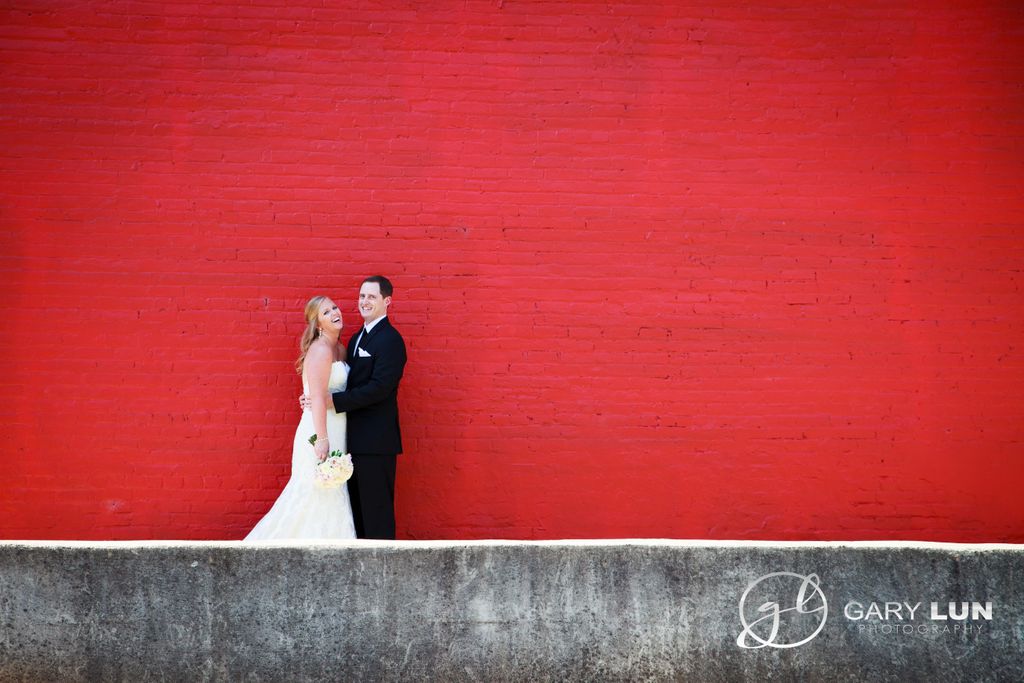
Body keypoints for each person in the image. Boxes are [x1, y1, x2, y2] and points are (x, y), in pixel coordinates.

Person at [301, 275, 407, 539]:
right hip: (351, 441)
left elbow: (380, 388)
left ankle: (383, 574)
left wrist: (331, 401)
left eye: (372, 296)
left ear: (387, 301)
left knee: (377, 515)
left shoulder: (391, 340)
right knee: (357, 516)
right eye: (362, 296)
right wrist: (313, 397)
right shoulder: (357, 337)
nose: (365, 301)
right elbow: (345, 383)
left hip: (376, 443)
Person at [245, 296, 356, 540]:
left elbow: (333, 392)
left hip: (338, 426)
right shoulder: (321, 349)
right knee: (312, 491)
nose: (335, 313)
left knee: (333, 491)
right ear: (318, 324)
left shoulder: (340, 348)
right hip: (319, 430)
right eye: (326, 312)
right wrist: (322, 439)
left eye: (335, 307)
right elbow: (317, 397)